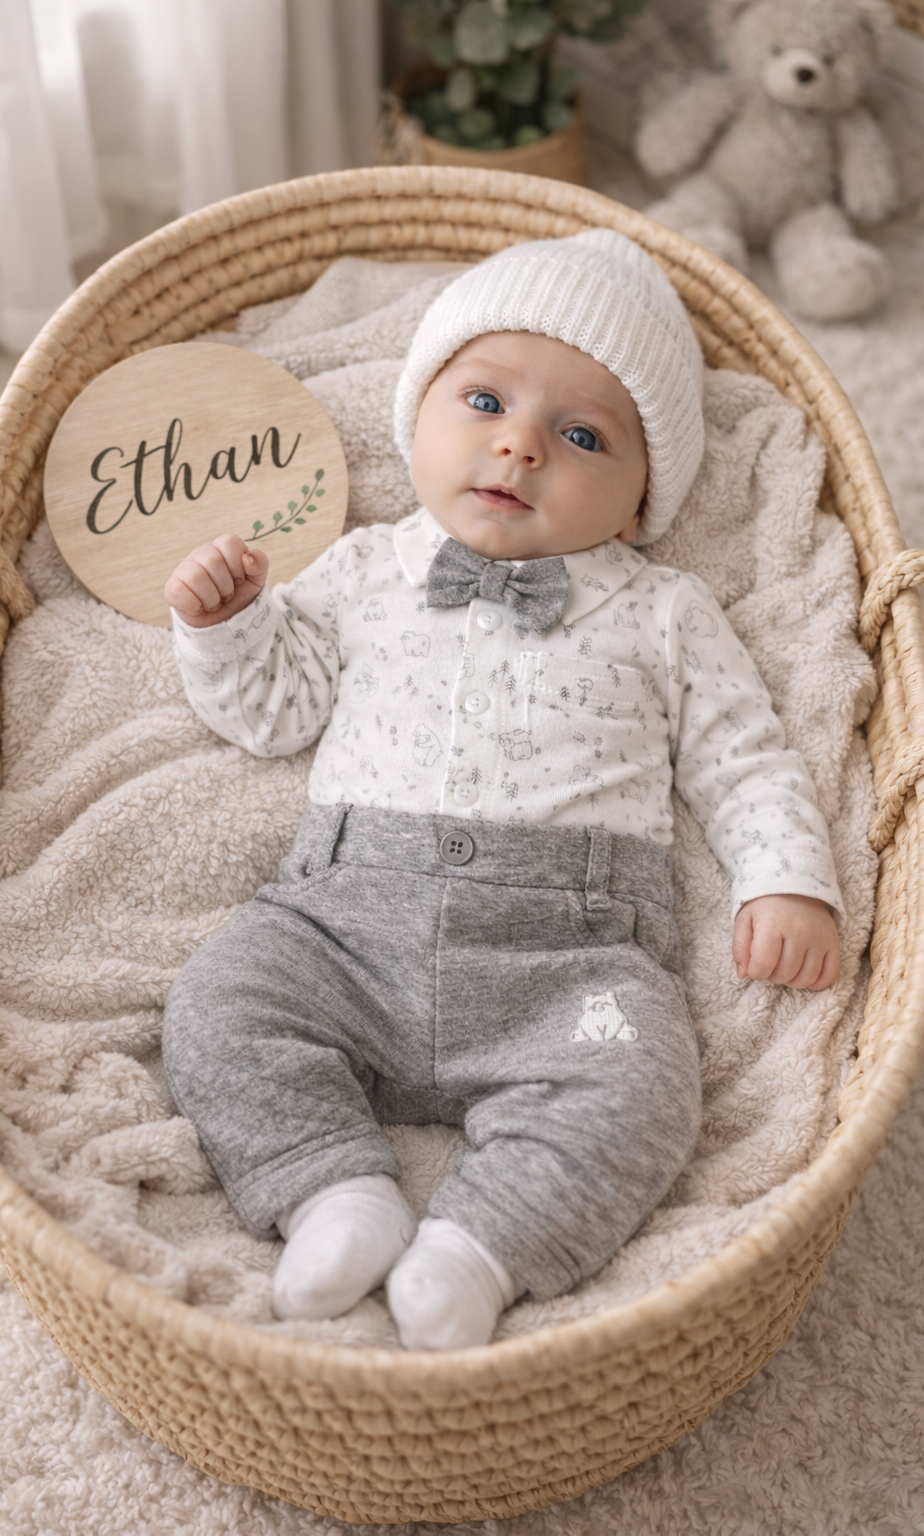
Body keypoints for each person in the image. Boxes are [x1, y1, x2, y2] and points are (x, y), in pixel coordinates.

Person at [160, 231, 842, 1351]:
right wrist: (228, 625)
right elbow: (274, 713)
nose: (519, 445)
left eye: (582, 436)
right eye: (483, 402)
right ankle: (332, 1187)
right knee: (220, 1004)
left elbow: (743, 754)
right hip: (339, 930)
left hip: (569, 968)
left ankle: (484, 1245)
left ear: (638, 504)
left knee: (642, 1075)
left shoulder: (664, 610)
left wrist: (785, 880)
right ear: (416, 420)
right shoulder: (364, 566)